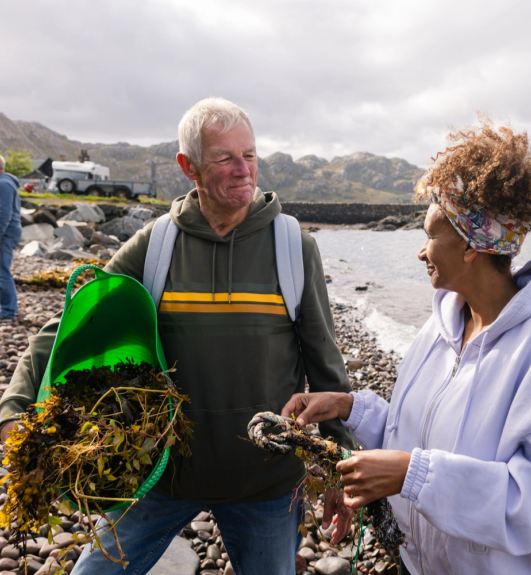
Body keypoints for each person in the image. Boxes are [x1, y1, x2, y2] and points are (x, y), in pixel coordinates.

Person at [0, 98, 354, 575]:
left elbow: (325, 362)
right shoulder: (155, 244)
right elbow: (70, 322)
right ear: (188, 166)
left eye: (249, 155)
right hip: (160, 477)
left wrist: (340, 467)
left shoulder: (293, 246)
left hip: (265, 484)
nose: (242, 170)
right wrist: (16, 405)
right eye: (223, 158)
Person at [283, 121, 531, 574]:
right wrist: (349, 407)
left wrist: (413, 476)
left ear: (472, 245)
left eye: (431, 235)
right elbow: (412, 437)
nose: (421, 252)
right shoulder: (440, 325)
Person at [0, 155, 22, 321]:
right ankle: (7, 308)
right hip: (7, 232)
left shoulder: (4, 184)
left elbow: (4, 215)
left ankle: (9, 311)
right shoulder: (5, 183)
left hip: (6, 234)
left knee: (2, 272)